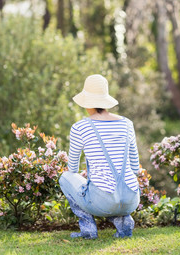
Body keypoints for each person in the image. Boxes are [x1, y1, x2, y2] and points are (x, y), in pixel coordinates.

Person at [59, 74, 140, 239]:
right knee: (113, 192)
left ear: (86, 101)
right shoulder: (127, 124)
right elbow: (135, 168)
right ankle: (123, 223)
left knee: (65, 178)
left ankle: (88, 229)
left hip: (102, 202)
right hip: (131, 198)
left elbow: (72, 169)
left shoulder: (80, 127)